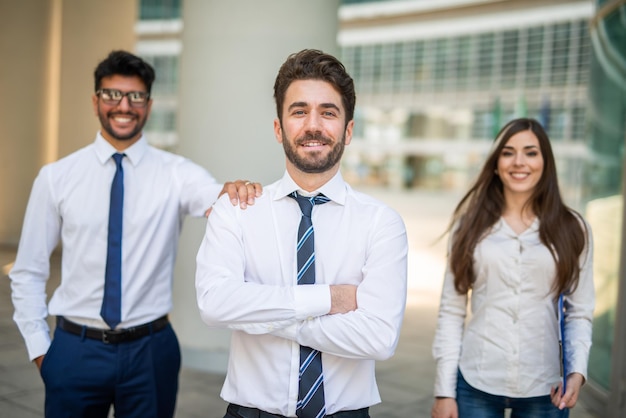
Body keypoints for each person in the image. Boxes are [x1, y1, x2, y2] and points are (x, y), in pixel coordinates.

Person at [9, 50, 261, 418]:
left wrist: (233, 190)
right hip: (75, 349)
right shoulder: (56, 177)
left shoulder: (177, 173)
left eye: (135, 96)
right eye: (112, 94)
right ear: (96, 101)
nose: (123, 105)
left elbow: (213, 194)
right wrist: (40, 350)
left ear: (149, 104)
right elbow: (29, 270)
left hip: (150, 351)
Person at [195, 49, 408, 418]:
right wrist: (330, 298)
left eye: (328, 112)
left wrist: (261, 315)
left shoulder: (382, 223)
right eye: (299, 111)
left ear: (349, 129)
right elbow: (215, 304)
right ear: (279, 128)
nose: (313, 125)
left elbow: (378, 337)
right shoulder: (236, 211)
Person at [431, 117, 594, 418]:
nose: (519, 162)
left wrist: (577, 371)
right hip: (476, 381)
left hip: (545, 388)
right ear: (496, 163)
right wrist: (444, 391)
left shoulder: (573, 229)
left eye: (531, 152)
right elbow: (451, 310)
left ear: (546, 162)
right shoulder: (470, 227)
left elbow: (579, 311)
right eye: (508, 152)